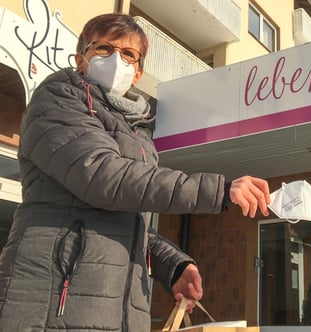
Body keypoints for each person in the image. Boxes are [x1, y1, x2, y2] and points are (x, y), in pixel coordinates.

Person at [0, 13, 270, 331]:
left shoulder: (138, 130)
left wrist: (173, 265)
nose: (117, 60)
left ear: (139, 72)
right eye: (103, 49)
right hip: (53, 306)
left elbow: (127, 219)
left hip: (118, 309)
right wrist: (218, 190)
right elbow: (104, 177)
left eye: (129, 54)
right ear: (80, 59)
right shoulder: (57, 101)